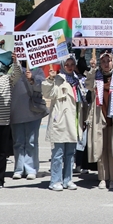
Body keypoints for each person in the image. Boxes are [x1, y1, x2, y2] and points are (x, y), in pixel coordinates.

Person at [86, 51, 113, 189]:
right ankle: (102, 178)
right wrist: (92, 69)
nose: (105, 64)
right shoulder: (96, 77)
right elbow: (88, 85)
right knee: (100, 149)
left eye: (108, 61)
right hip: (100, 117)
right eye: (103, 61)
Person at [43, 56, 80, 191]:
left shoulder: (77, 80)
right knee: (58, 153)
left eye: (72, 64)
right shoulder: (58, 79)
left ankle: (68, 179)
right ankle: (55, 180)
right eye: (67, 64)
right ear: (63, 66)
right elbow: (48, 93)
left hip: (73, 121)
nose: (70, 67)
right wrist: (51, 79)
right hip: (61, 121)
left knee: (70, 153)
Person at [9, 64, 47, 180]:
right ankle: (19, 168)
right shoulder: (11, 70)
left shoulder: (38, 70)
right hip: (15, 110)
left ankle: (31, 169)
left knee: (31, 142)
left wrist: (32, 79)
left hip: (33, 111)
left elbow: (42, 88)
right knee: (18, 142)